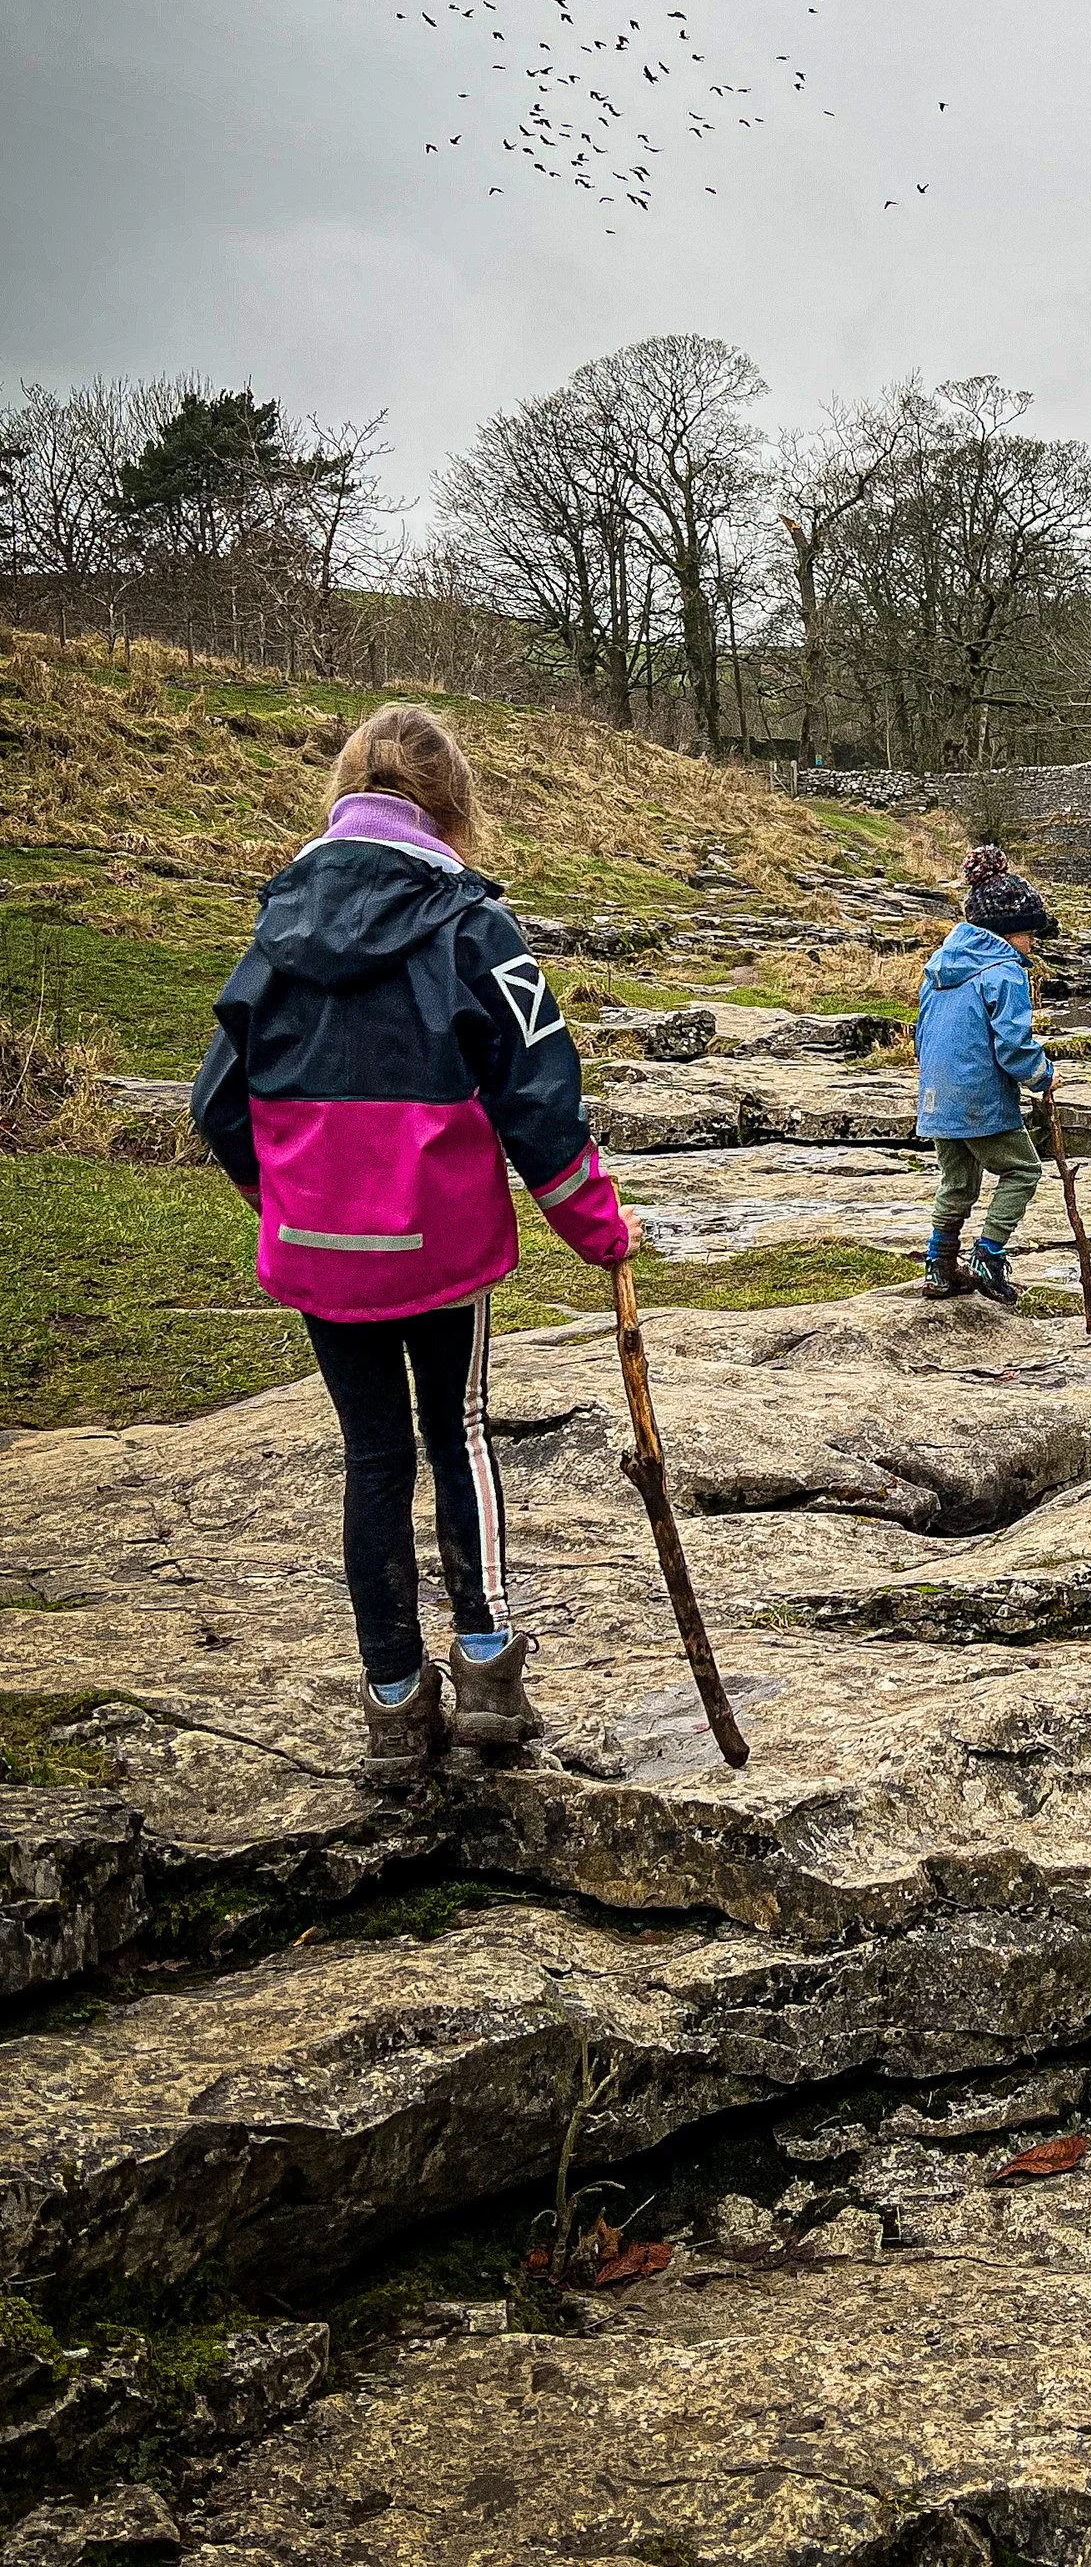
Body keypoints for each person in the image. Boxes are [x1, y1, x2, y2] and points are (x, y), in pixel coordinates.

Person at [190, 703, 638, 1789]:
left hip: (320, 1246)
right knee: (462, 1434)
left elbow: (216, 1099)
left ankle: (393, 1701)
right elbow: (540, 1090)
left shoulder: (278, 927)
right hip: (439, 1244)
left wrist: (284, 1190)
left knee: (373, 1454)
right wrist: (600, 1231)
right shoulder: (472, 924)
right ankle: (486, 1668)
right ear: (450, 806)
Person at [916, 843, 1059, 1305]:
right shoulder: (1005, 973)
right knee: (1022, 1171)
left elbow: (922, 1032)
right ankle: (989, 1255)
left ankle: (939, 1266)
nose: (1034, 942)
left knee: (957, 1182)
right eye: (1030, 932)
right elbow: (1013, 1045)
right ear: (1009, 930)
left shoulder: (939, 969)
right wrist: (1042, 1076)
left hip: (937, 1092)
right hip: (981, 1096)